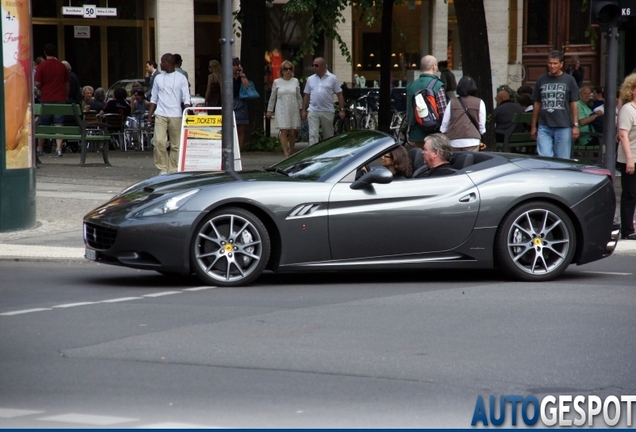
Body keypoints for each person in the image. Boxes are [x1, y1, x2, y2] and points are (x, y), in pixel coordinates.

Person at [530, 50, 580, 159]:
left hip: (563, 126)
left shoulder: (569, 80)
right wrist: (534, 126)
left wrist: (575, 125)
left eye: (555, 63)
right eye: (550, 63)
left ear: (561, 64)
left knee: (562, 160)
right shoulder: (541, 79)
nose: (552, 66)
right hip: (544, 125)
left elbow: (574, 104)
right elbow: (537, 104)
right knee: (544, 157)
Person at [148, 53, 191, 174]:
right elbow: (154, 98)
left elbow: (186, 98)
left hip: (176, 114)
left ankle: (173, 168)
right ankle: (163, 167)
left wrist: (186, 112)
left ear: (169, 63)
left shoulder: (181, 78)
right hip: (160, 113)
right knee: (159, 141)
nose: (160, 64)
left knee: (175, 144)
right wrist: (150, 115)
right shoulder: (158, 78)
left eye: (162, 62)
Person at [35, 43, 70, 158]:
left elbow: (38, 83)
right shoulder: (61, 66)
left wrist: (42, 89)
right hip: (60, 98)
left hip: (46, 98)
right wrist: (66, 96)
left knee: (43, 123)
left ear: (45, 52)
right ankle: (58, 149)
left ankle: (40, 148)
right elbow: (66, 84)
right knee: (59, 123)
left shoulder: (42, 66)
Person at [301, 57, 346, 146]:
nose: (314, 67)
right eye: (313, 65)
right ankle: (313, 155)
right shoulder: (310, 79)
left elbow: (339, 94)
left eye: (316, 65)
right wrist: (304, 110)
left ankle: (328, 155)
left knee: (328, 136)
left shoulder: (333, 78)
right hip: (313, 110)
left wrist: (342, 109)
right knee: (313, 134)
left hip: (327, 111)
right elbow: (306, 95)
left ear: (323, 66)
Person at [406, 55, 448, 148]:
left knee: (418, 160)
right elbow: (443, 111)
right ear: (433, 66)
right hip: (434, 133)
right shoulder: (438, 85)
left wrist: (408, 130)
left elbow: (408, 112)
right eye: (436, 65)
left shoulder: (411, 86)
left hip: (416, 133)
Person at [266, 60, 302, 157]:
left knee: (293, 132)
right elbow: (272, 97)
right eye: (286, 69)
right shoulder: (277, 82)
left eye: (290, 69)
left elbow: (299, 96)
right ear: (282, 70)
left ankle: (292, 150)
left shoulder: (295, 81)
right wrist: (269, 110)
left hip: (293, 108)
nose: (288, 71)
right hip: (281, 108)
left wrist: (301, 108)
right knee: (284, 130)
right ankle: (286, 152)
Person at [440, 76, 486, 152]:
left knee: (456, 162)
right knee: (470, 162)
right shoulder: (480, 102)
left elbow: (445, 123)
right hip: (472, 140)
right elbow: (481, 126)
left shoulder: (452, 101)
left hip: (454, 140)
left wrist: (444, 132)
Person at [616, 73, 636, 240]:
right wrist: (629, 159)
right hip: (631, 158)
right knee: (630, 194)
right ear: (632, 91)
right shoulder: (628, 109)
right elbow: (623, 135)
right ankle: (628, 230)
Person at [232, 56, 251, 149]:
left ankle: (239, 149)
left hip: (241, 102)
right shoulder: (226, 77)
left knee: (240, 129)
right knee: (231, 128)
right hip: (231, 102)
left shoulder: (241, 76)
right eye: (234, 65)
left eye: (237, 65)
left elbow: (247, 86)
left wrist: (242, 74)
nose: (236, 67)